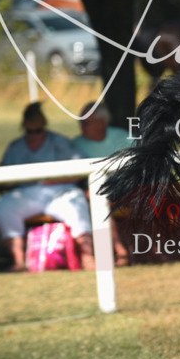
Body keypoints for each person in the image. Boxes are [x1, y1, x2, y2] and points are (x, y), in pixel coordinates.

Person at [0, 102, 95, 271]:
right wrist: (9, 180)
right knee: (3, 207)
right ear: (24, 127)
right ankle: (19, 261)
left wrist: (56, 179)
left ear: (45, 126)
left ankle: (87, 257)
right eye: (30, 131)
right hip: (26, 193)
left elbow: (81, 169)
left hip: (59, 191)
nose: (35, 135)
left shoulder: (59, 142)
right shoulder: (16, 147)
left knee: (77, 204)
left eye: (39, 131)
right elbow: (4, 178)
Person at [72, 101, 133, 263]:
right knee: (97, 198)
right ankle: (119, 249)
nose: (81, 126)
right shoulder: (75, 145)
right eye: (80, 122)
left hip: (125, 188)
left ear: (102, 122)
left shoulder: (122, 137)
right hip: (93, 193)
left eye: (86, 122)